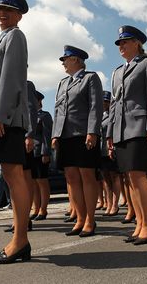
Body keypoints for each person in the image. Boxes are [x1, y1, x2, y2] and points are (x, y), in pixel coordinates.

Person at [0, 0, 32, 265]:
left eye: (8, 10)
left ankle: (20, 240)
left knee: (15, 179)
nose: (1, 14)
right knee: (11, 179)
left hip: (7, 119)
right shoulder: (2, 39)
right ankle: (19, 240)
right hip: (0, 119)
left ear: (18, 16)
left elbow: (12, 80)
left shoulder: (15, 37)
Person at [107, 25, 147, 245]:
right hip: (121, 129)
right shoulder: (117, 71)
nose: (121, 46)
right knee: (130, 179)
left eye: (125, 42)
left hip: (139, 126)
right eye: (119, 43)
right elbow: (113, 104)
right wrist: (110, 131)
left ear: (137, 43)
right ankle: (140, 222)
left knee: (139, 176)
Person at [52, 45, 103, 238]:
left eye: (65, 59)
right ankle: (80, 219)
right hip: (65, 136)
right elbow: (58, 111)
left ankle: (90, 219)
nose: (63, 63)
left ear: (75, 59)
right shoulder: (63, 83)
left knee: (87, 177)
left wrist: (92, 131)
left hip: (83, 134)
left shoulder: (90, 78)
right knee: (72, 179)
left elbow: (95, 107)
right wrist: (55, 134)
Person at [31, 90, 53, 220]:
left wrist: (46, 152)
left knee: (42, 181)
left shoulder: (45, 116)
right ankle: (36, 208)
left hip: (40, 153)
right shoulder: (29, 116)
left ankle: (43, 210)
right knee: (33, 182)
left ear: (39, 101)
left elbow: (46, 135)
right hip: (31, 152)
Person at [100, 90, 121, 217]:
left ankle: (115, 204)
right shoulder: (100, 115)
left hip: (112, 149)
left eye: (105, 101)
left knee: (115, 176)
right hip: (101, 150)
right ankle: (108, 203)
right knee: (106, 179)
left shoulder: (113, 115)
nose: (103, 104)